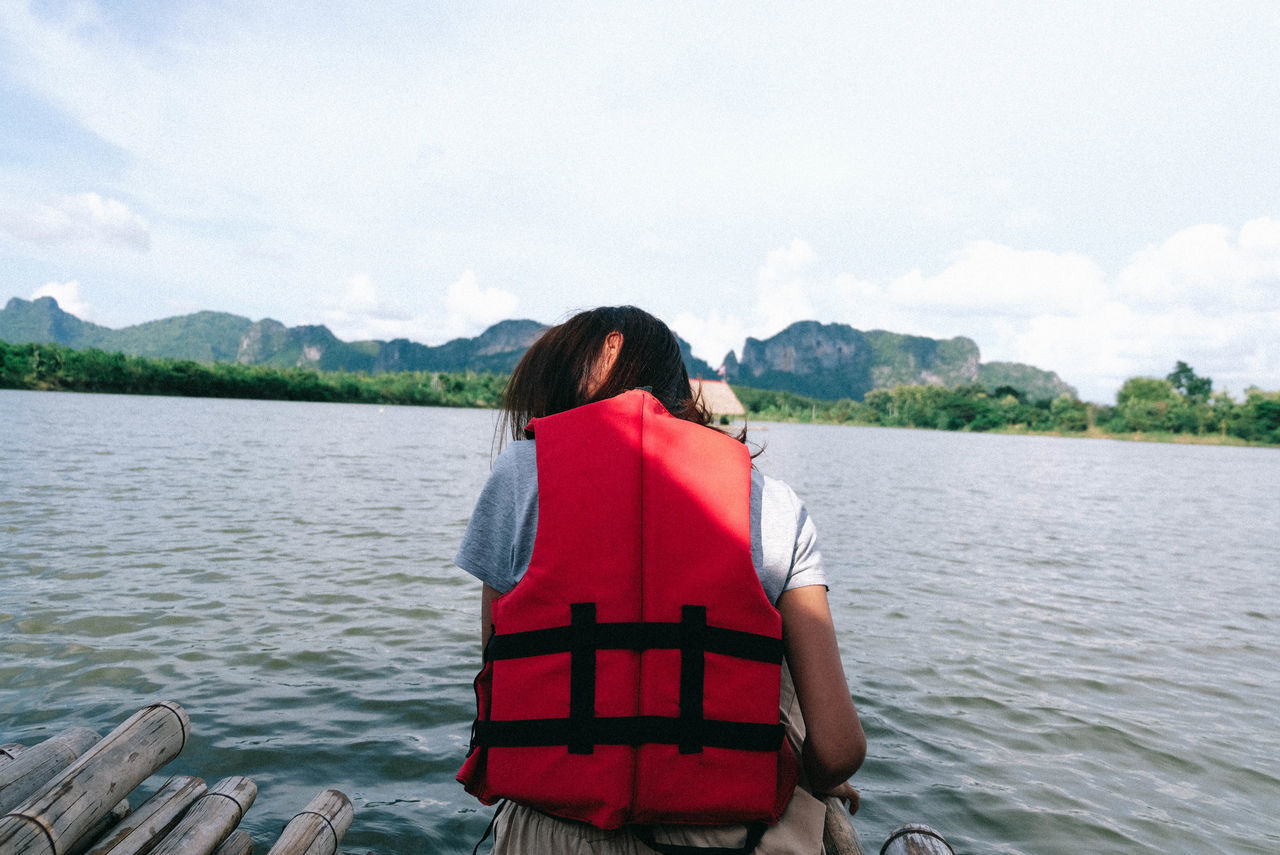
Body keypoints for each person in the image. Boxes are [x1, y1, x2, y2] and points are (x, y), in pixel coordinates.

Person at [455, 306, 865, 854]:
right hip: (733, 836)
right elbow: (839, 748)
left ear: (608, 353)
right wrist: (808, 776)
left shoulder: (517, 477)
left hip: (554, 832)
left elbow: (498, 675)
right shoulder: (774, 501)